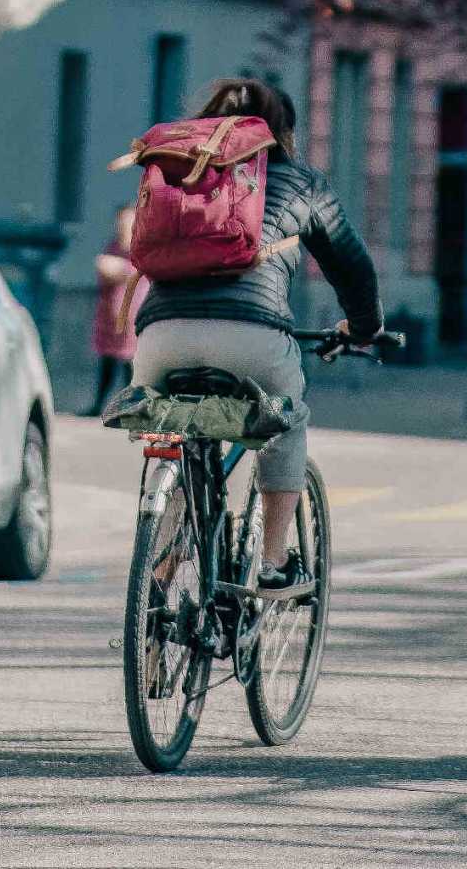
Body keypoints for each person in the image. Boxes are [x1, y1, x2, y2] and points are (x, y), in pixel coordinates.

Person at [130, 78, 382, 590]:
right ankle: (271, 561)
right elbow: (352, 266)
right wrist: (364, 327)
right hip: (253, 338)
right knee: (286, 421)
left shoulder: (179, 172)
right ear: (283, 133)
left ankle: (156, 583)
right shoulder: (301, 182)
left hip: (158, 337)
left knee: (180, 433)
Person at [89, 206, 142, 415]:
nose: (123, 226)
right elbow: (104, 273)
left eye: (127, 221)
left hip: (132, 313)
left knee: (130, 361)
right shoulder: (112, 246)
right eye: (120, 222)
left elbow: (139, 274)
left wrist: (120, 269)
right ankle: (98, 404)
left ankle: (132, 407)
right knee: (108, 360)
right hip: (109, 315)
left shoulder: (140, 248)